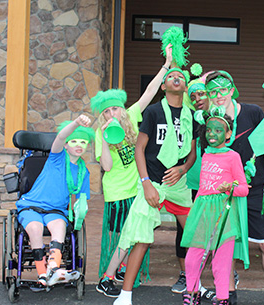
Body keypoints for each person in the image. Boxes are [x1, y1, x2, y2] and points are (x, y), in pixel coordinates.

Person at [91, 46, 173, 298]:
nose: (111, 114)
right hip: (117, 193)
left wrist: (167, 63)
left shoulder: (133, 115)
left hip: (140, 188)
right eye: (106, 112)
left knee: (137, 232)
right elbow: (106, 167)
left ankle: (116, 271)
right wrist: (105, 139)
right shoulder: (101, 132)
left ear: (121, 108)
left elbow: (150, 92)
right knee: (124, 236)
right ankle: (109, 275)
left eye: (114, 109)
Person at [113, 67, 198, 305]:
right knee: (142, 238)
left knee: (193, 235)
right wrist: (146, 183)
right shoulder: (153, 112)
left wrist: (183, 169)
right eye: (171, 76)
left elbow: (192, 153)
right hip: (153, 182)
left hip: (178, 183)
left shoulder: (191, 116)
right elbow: (139, 149)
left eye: (181, 76)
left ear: (186, 85)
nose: (176, 77)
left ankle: (195, 284)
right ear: (163, 86)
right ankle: (125, 294)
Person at [205, 71, 264, 305]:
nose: (218, 95)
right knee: (227, 244)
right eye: (213, 91)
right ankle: (229, 293)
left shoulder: (252, 112)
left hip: (256, 189)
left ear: (232, 89)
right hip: (226, 191)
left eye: (223, 89)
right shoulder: (210, 120)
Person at [181, 106, 249, 305]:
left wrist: (229, 188)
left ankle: (222, 298)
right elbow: (203, 188)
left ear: (228, 134)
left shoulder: (233, 156)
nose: (212, 134)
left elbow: (243, 188)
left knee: (221, 261)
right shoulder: (205, 155)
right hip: (202, 212)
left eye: (218, 130)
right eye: (209, 130)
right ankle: (192, 293)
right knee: (193, 256)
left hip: (224, 215)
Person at [15, 115, 94, 287]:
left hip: (56, 210)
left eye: (83, 142)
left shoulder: (83, 172)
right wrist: (76, 124)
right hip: (32, 205)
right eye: (74, 141)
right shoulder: (57, 157)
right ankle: (42, 274)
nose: (79, 145)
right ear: (66, 145)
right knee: (35, 228)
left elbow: (81, 199)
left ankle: (53, 268)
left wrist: (80, 214)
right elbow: (60, 137)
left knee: (60, 227)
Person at [172, 75, 212, 295]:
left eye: (201, 94)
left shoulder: (220, 117)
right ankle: (185, 274)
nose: (197, 99)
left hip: (214, 184)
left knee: (215, 229)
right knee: (184, 229)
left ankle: (223, 272)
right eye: (193, 95)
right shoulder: (187, 117)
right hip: (190, 183)